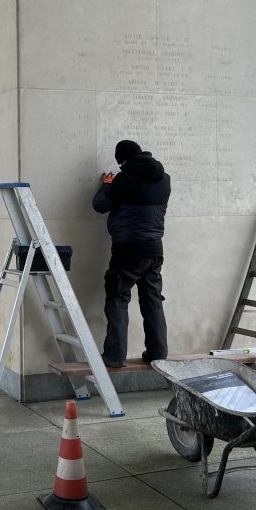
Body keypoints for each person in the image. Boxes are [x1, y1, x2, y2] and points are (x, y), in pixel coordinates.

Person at [92, 140, 171, 367]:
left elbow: (99, 205)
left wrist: (107, 184)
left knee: (117, 298)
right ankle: (158, 353)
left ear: (123, 160)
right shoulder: (164, 180)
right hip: (155, 250)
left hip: (127, 251)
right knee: (153, 301)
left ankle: (115, 356)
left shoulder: (123, 180)